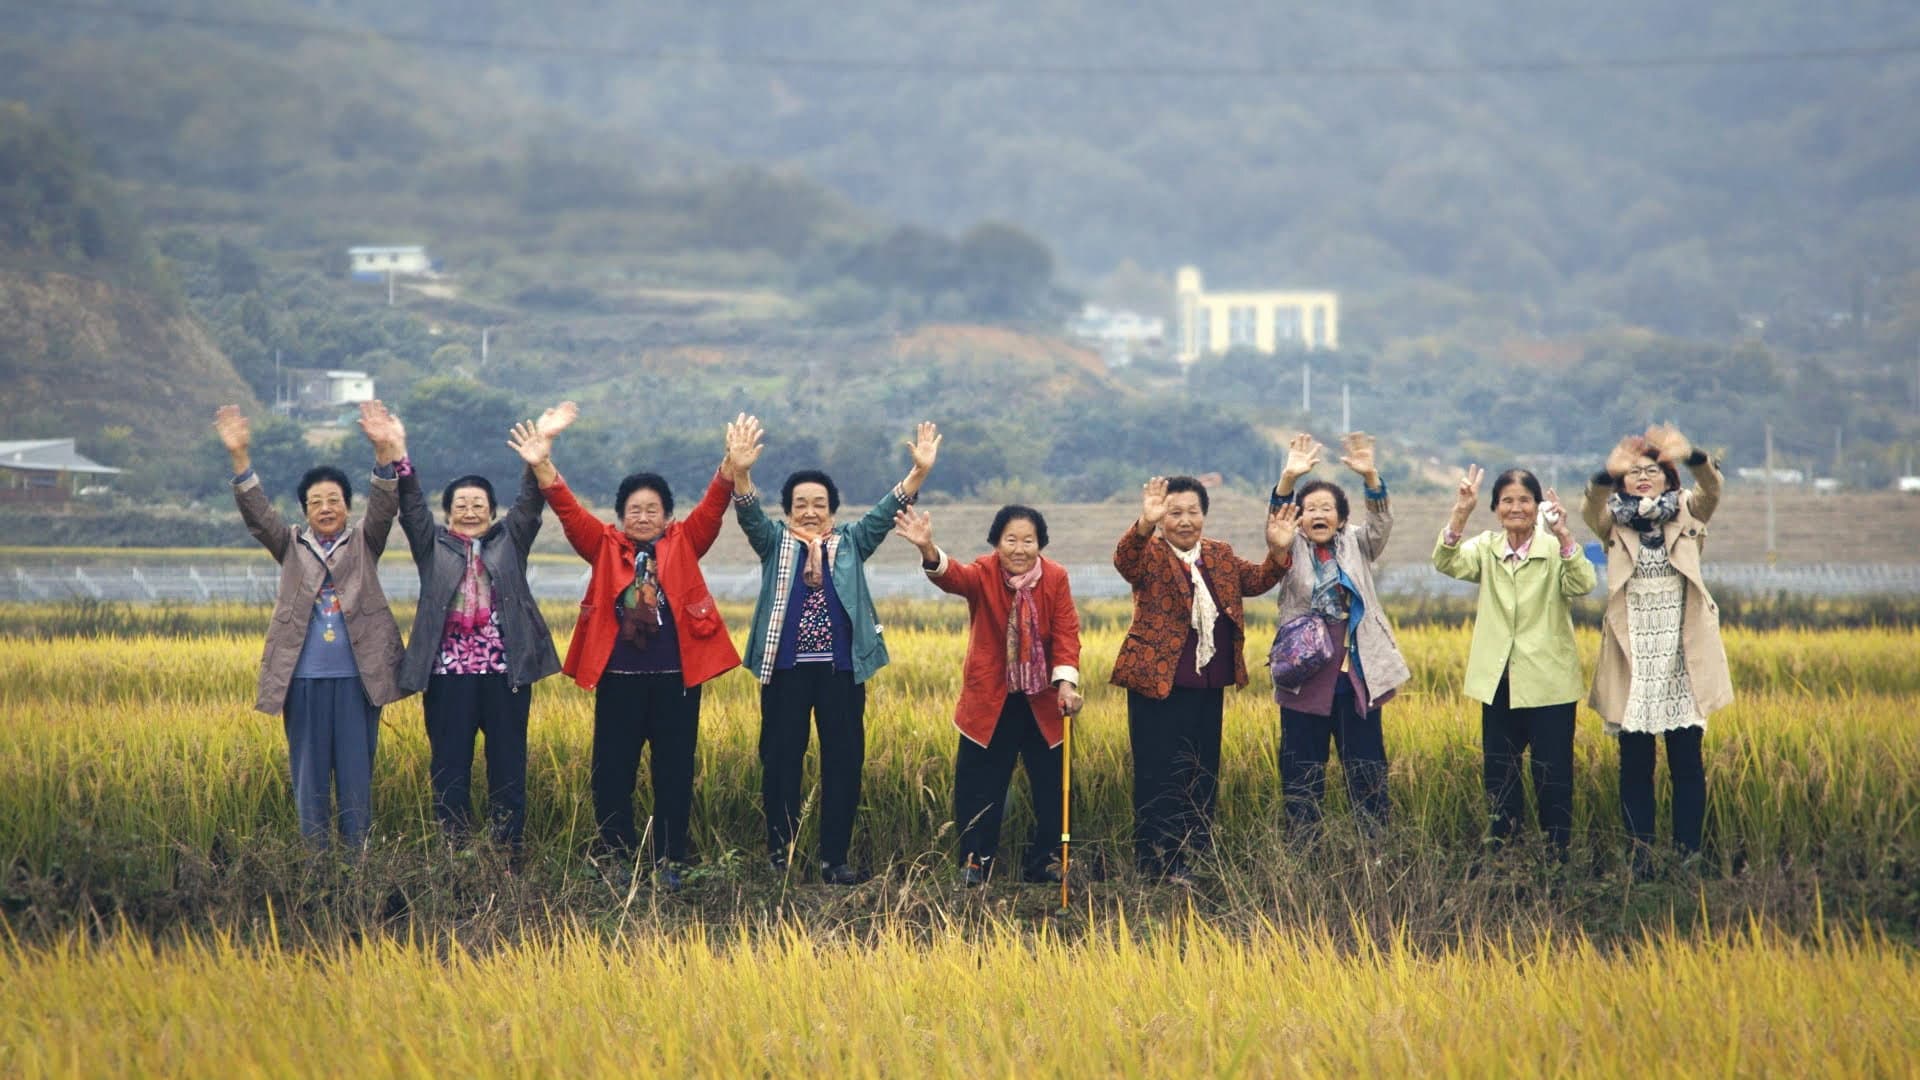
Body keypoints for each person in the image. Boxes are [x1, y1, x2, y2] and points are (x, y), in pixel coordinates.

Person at [525, 409, 742, 887]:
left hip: (674, 683)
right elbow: (568, 510)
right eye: (634, 511)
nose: (643, 517)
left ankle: (672, 862)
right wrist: (543, 465)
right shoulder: (602, 544)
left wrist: (730, 468)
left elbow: (712, 507)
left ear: (667, 515)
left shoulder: (687, 541)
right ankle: (616, 860)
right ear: (620, 517)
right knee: (611, 776)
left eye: (653, 510)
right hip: (619, 682)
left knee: (674, 776)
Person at [732, 419, 941, 885]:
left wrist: (919, 473)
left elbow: (887, 511)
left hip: (841, 674)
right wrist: (741, 474)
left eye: (819, 504)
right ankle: (780, 858)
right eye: (800, 504)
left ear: (832, 511)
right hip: (784, 673)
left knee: (844, 764)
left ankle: (835, 860)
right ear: (787, 511)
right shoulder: (773, 542)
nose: (810, 511)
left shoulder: (850, 542)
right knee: (781, 764)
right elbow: (747, 513)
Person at [381, 400, 572, 855]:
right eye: (461, 505)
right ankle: (456, 857)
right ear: (448, 514)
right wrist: (400, 452)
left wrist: (540, 452)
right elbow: (410, 508)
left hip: (506, 675)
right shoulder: (432, 546)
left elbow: (530, 503)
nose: (470, 511)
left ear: (492, 511)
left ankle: (506, 858)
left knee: (508, 770)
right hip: (448, 678)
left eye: (478, 504)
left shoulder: (511, 538)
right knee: (450, 771)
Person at [214, 402, 408, 851]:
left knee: (358, 784)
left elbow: (384, 506)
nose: (325, 508)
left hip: (360, 680)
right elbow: (258, 516)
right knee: (310, 783)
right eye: (316, 502)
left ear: (346, 506)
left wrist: (383, 452)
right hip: (302, 681)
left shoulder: (364, 541)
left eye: (334, 500)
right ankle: (316, 873)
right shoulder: (290, 545)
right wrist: (240, 457)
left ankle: (359, 873)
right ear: (304, 510)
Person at [1111, 474, 1291, 882]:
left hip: (1208, 684)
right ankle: (1156, 859)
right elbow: (1125, 561)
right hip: (1157, 685)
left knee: (1201, 772)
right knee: (1159, 773)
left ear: (1204, 515)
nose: (1185, 520)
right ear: (1162, 517)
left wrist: (1278, 552)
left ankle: (1196, 855)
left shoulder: (1220, 555)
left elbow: (1258, 579)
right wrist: (1144, 524)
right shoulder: (1151, 553)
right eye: (1174, 513)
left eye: (1193, 511)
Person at [895, 504, 1084, 886]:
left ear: (1040, 544)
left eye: (1028, 540)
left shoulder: (1056, 577)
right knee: (980, 783)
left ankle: (1045, 861)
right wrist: (928, 549)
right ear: (997, 543)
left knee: (1051, 783)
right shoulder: (984, 572)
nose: (1019, 548)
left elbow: (1066, 633)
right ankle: (974, 861)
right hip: (991, 699)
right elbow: (954, 578)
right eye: (1010, 539)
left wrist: (1066, 683)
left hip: (1042, 699)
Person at [1581, 425, 1731, 866]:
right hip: (1633, 652)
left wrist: (1693, 455)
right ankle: (1640, 857)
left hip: (1683, 649)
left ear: (1669, 477)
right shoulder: (1611, 519)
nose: (1642, 477)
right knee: (1635, 763)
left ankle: (1688, 855)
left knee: (1686, 760)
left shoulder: (1687, 511)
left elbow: (1712, 489)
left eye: (1652, 470)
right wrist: (1607, 472)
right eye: (1634, 472)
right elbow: (1590, 504)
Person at [1432, 465, 1597, 855]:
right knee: (1500, 780)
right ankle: (1505, 864)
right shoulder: (1487, 548)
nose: (1516, 508)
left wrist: (1564, 535)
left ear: (1538, 506)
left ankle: (1555, 865)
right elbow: (1447, 561)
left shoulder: (1555, 549)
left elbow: (1584, 583)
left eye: (1525, 500)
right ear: (1495, 508)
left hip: (1549, 683)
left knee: (1553, 779)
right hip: (1498, 681)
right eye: (1507, 500)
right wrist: (1461, 511)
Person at [1268, 433, 1410, 837]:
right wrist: (1287, 481)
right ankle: (1303, 855)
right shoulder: (1289, 546)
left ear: (1342, 519)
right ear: (1299, 518)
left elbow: (1382, 522)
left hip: (1354, 677)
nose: (1317, 514)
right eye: (1309, 508)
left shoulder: (1358, 544)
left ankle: (1373, 853)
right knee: (1301, 775)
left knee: (1366, 772)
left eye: (1326, 508)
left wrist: (1370, 478)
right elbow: (1275, 523)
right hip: (1304, 679)